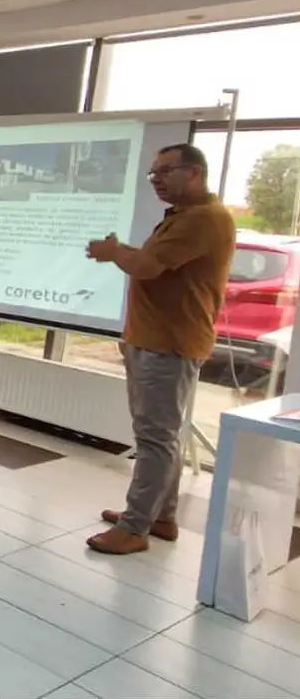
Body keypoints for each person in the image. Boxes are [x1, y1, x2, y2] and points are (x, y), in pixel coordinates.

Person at [85, 143, 235, 555]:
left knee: (155, 438)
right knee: (159, 435)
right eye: (153, 173)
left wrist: (114, 252)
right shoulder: (183, 216)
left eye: (166, 171)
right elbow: (154, 264)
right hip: (153, 340)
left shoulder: (203, 219)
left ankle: (135, 528)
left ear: (196, 172)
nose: (156, 180)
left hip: (169, 344)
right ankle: (161, 517)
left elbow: (147, 267)